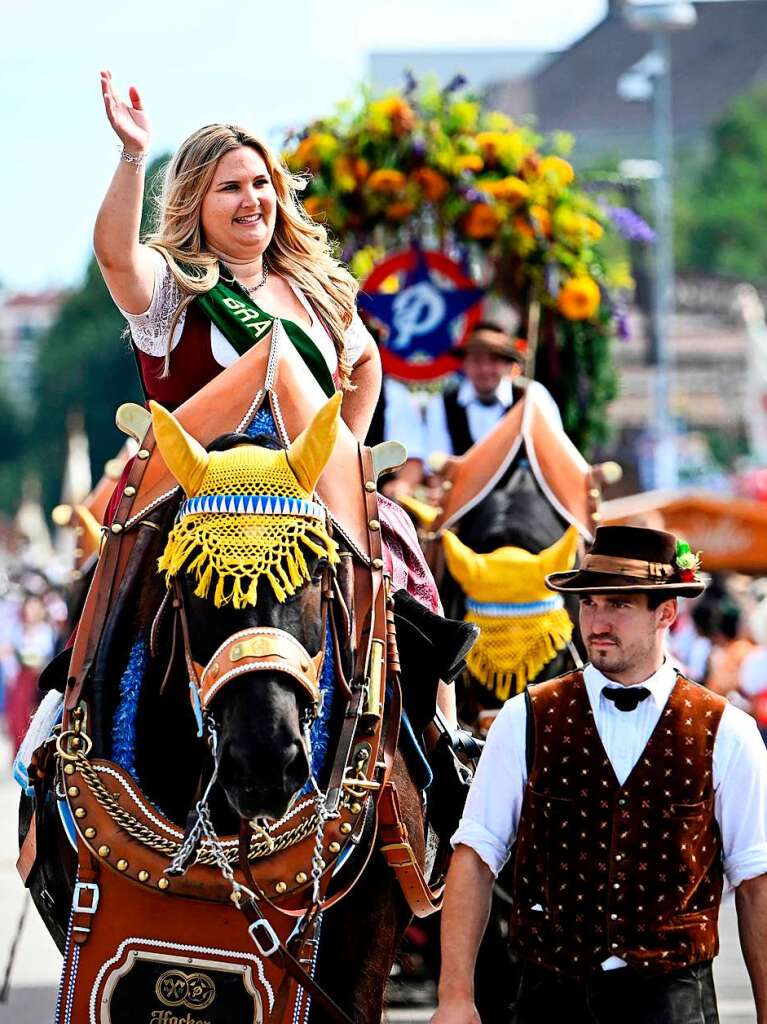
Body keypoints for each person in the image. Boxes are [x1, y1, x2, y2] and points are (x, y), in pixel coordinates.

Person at [93, 71, 474, 720]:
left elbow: (364, 363)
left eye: (260, 183)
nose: (252, 199)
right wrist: (133, 155)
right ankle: (68, 719)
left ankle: (433, 741)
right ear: (195, 201)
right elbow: (116, 259)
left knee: (400, 547)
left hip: (306, 493)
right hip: (201, 497)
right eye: (230, 187)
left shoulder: (314, 287)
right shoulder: (174, 287)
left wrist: (345, 459)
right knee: (105, 591)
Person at [433, 526, 767, 1024]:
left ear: (667, 612)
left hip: (673, 1002)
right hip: (550, 998)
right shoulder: (526, 717)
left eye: (619, 604)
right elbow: (476, 856)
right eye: (589, 603)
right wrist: (455, 997)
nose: (597, 621)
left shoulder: (728, 731)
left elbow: (757, 881)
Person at [422, 321, 562, 460]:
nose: (485, 369)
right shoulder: (443, 402)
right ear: (464, 364)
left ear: (508, 365)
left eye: (494, 360)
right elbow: (437, 464)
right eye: (476, 360)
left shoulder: (532, 395)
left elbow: (554, 452)